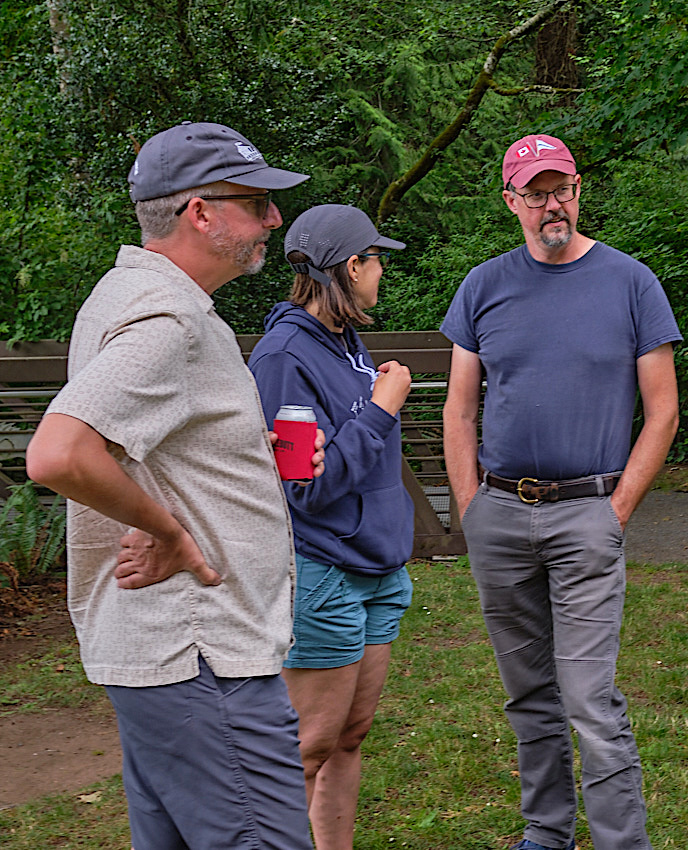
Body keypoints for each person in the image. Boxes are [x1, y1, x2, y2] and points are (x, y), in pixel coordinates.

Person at [25, 121, 319, 849]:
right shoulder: (169, 320)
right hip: (203, 659)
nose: (273, 221)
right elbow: (58, 453)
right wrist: (169, 531)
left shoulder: (126, 295)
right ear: (200, 211)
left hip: (169, 659)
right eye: (257, 204)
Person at [441, 133, 681, 850]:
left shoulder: (630, 282)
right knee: (528, 695)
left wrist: (616, 511)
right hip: (500, 514)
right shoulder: (483, 285)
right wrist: (470, 509)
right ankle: (546, 833)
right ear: (510, 200)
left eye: (563, 188)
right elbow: (458, 408)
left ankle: (618, 842)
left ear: (578, 191)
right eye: (537, 192)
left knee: (588, 699)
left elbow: (662, 408)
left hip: (587, 513)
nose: (554, 204)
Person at [247, 204, 415, 850]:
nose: (381, 274)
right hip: (324, 575)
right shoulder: (285, 356)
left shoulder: (346, 344)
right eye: (377, 261)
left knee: (349, 736)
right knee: (307, 746)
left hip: (375, 571)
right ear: (352, 266)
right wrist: (380, 409)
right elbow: (306, 487)